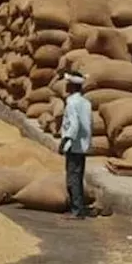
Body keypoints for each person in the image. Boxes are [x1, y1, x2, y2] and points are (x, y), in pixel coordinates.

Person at [58, 72, 92, 219]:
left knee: (72, 178)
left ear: (72, 86)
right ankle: (79, 207)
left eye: (67, 84)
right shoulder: (86, 102)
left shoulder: (72, 103)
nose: (65, 86)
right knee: (78, 176)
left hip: (73, 145)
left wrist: (65, 140)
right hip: (83, 145)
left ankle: (76, 210)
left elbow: (74, 124)